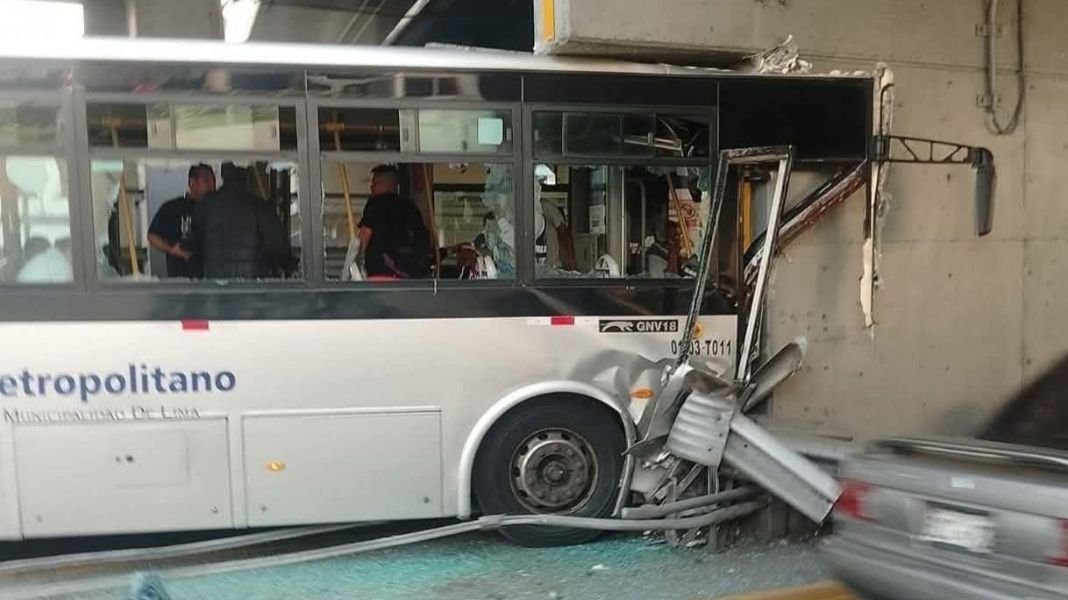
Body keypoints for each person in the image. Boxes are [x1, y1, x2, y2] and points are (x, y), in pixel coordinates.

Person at [191, 163, 286, 280]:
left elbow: (196, 242)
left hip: (215, 284)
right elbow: (277, 246)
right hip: (251, 284)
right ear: (246, 175)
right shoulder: (259, 205)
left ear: (222, 174)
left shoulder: (205, 205)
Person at [357, 164, 431, 278]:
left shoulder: (376, 205)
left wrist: (355, 265)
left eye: (374, 183)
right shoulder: (411, 208)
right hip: (409, 276)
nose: (371, 187)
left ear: (385, 184)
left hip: (381, 274)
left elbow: (363, 240)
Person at [148, 164, 215, 278]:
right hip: (181, 278)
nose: (212, 186)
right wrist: (172, 250)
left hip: (212, 279)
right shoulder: (173, 208)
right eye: (207, 181)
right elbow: (152, 236)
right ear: (192, 182)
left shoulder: (217, 208)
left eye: (213, 181)